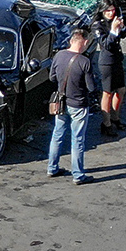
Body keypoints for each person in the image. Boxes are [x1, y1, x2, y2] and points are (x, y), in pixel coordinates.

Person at [46, 27, 99, 184]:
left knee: (57, 134)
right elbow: (91, 87)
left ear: (71, 41)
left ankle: (52, 167)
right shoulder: (84, 62)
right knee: (78, 139)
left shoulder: (59, 55)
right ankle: (78, 174)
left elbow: (52, 78)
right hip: (79, 104)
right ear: (85, 42)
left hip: (61, 102)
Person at [92, 4, 126, 137]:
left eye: (113, 10)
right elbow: (106, 44)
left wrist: (122, 27)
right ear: (102, 11)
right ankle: (106, 123)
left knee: (121, 89)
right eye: (107, 10)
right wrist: (113, 30)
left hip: (117, 59)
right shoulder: (98, 25)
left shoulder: (114, 20)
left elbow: (123, 35)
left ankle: (115, 117)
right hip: (107, 62)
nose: (111, 13)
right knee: (107, 92)